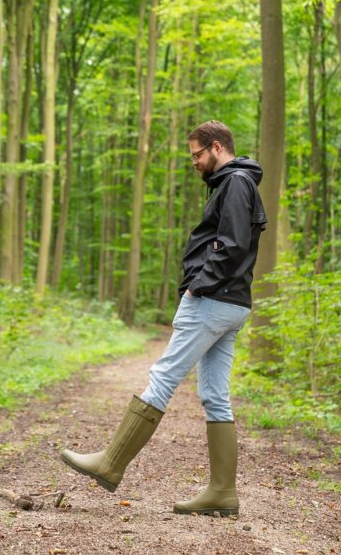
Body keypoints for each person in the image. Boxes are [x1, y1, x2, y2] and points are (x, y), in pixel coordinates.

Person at [61, 120, 267, 516]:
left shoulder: (236, 182)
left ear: (217, 147)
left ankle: (111, 463)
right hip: (233, 302)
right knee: (215, 396)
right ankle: (222, 492)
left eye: (197, 154)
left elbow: (234, 245)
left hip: (213, 298)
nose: (193, 162)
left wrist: (197, 286)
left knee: (164, 376)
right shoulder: (237, 183)